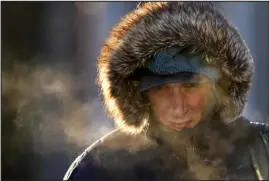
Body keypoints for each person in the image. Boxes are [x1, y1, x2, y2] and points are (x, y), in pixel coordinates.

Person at [64, 2, 269, 180]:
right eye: (160, 89)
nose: (179, 108)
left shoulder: (262, 151)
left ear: (220, 86)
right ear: (139, 94)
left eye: (190, 86)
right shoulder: (99, 170)